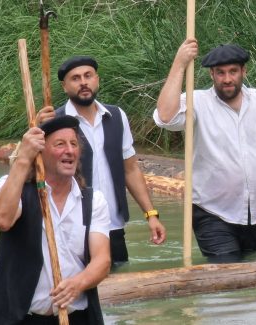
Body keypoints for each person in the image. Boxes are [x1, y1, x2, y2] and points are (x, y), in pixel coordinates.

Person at [154, 39, 256, 263]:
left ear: (243, 71)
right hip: (212, 212)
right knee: (225, 276)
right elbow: (165, 117)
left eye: (233, 71)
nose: (227, 79)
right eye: (220, 73)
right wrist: (180, 63)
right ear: (212, 74)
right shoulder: (198, 102)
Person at [38, 56, 166, 266]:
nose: (83, 83)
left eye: (88, 76)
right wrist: (37, 129)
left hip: (113, 227)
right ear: (65, 86)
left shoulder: (116, 116)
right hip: (72, 228)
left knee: (120, 292)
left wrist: (151, 215)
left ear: (97, 79)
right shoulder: (54, 122)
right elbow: (38, 172)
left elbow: (131, 170)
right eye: (76, 78)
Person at [0, 116, 110, 324]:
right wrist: (24, 159)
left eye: (73, 144)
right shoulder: (13, 188)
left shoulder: (92, 201)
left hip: (76, 317)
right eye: (60, 144)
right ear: (41, 153)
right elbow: (2, 219)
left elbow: (102, 261)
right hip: (23, 318)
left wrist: (78, 283)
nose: (69, 151)